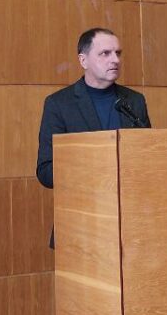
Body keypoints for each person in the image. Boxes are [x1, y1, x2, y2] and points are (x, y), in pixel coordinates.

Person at [36, 28, 151, 246]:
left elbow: (148, 159)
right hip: (81, 227)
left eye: (118, 53)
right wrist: (92, 167)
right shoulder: (59, 104)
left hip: (132, 227)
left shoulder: (134, 101)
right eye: (105, 53)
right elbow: (45, 171)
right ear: (83, 60)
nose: (115, 60)